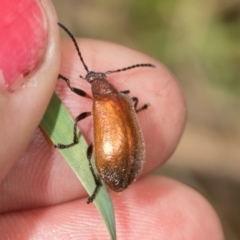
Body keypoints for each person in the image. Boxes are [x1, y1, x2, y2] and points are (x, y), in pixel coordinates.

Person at [0, 0, 224, 239]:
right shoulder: (121, 98)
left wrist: (65, 85)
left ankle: (96, 183)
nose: (92, 78)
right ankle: (97, 182)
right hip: (124, 158)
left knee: (87, 150)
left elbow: (81, 119)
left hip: (117, 163)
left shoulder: (103, 103)